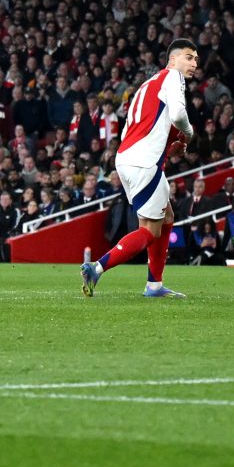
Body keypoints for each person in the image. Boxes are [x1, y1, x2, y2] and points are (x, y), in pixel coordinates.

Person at [83, 40, 198, 299]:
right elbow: (178, 115)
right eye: (189, 57)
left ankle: (155, 285)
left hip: (127, 158)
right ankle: (96, 268)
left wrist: (170, 145)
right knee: (150, 230)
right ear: (172, 60)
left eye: (196, 60)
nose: (194, 64)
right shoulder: (173, 77)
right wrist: (189, 134)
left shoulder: (148, 85)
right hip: (145, 163)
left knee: (166, 217)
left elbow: (138, 128)